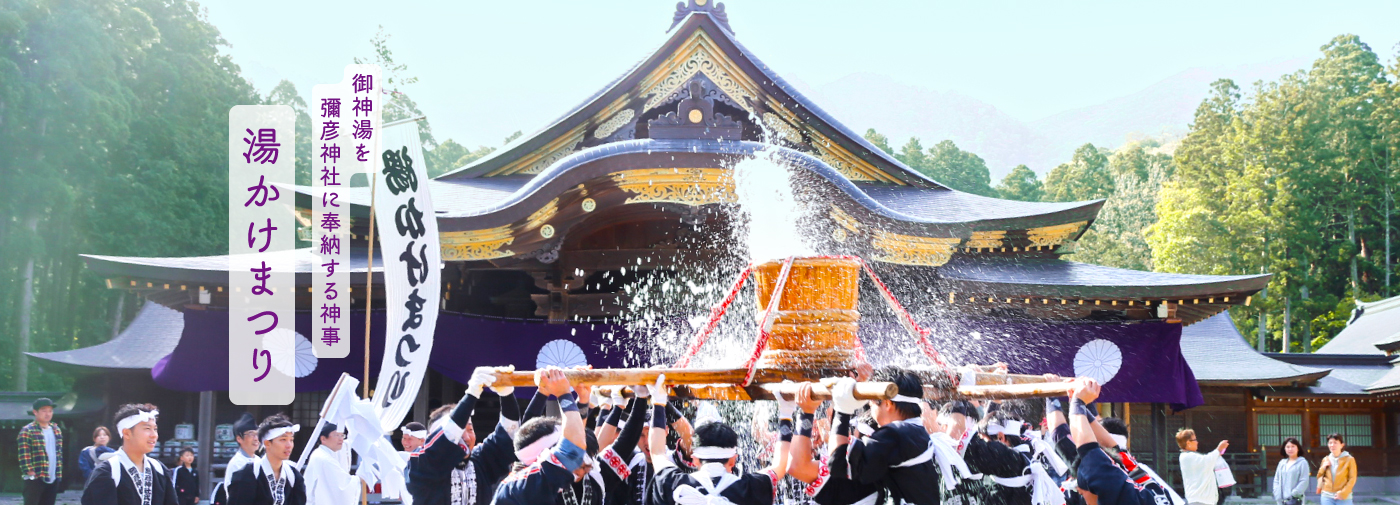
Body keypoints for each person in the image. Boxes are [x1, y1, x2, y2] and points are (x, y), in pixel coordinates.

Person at [644, 373, 790, 505]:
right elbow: (780, 465)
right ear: (733, 460)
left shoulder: (675, 484)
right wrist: (786, 413)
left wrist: (658, 401)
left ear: (694, 460)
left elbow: (657, 452)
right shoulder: (750, 487)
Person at [407, 366, 521, 505]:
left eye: (470, 429)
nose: (467, 438)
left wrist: (507, 395)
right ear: (434, 437)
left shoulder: (480, 462)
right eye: (460, 432)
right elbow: (446, 438)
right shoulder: (420, 464)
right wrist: (472, 393)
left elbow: (508, 436)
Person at [839, 366, 941, 505]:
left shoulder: (896, 434)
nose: (869, 404)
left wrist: (841, 410)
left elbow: (837, 464)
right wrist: (865, 384)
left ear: (887, 403)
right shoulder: (912, 430)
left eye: (872, 401)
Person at [491, 367, 592, 505]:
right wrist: (564, 394)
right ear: (544, 453)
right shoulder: (532, 481)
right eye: (558, 445)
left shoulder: (529, 478)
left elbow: (575, 439)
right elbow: (573, 449)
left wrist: (582, 400)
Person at [1066, 379, 1169, 505]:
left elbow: (1086, 447)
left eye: (1082, 494)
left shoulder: (1117, 489)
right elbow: (1111, 447)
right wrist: (1077, 403)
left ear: (1095, 487)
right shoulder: (1140, 485)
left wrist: (1078, 402)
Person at [786, 382, 884, 505]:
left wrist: (806, 412)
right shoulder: (890, 466)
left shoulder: (851, 475)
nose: (850, 438)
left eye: (854, 435)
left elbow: (797, 467)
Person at [81, 403, 180, 505]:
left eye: (155, 429)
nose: (154, 435)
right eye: (147, 428)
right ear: (127, 433)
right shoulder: (107, 472)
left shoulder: (159, 469)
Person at [227, 414, 306, 505]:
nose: (289, 445)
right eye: (283, 440)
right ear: (267, 443)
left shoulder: (294, 476)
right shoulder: (247, 474)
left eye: (291, 440)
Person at [305, 423, 374, 505]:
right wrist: (360, 478)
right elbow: (342, 486)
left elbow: (348, 444)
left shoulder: (322, 454)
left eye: (342, 435)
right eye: (336, 435)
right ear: (323, 439)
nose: (341, 439)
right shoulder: (324, 459)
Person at [19, 397, 64, 505]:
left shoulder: (56, 429)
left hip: (53, 475)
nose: (47, 414)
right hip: (36, 476)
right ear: (35, 412)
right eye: (44, 410)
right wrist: (30, 472)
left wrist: (59, 473)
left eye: (50, 411)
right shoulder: (28, 430)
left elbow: (59, 452)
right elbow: (24, 453)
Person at [213, 414, 262, 505]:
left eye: (257, 434)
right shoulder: (237, 463)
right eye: (251, 434)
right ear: (239, 438)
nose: (256, 439)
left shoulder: (259, 460)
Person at [1177, 429, 1228, 505]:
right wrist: (1218, 449)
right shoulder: (1187, 456)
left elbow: (1208, 461)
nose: (1197, 442)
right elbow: (1206, 461)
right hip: (1198, 500)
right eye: (1194, 440)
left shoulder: (1193, 456)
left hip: (1203, 500)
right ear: (1188, 443)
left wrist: (1218, 453)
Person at [1316, 434, 1356, 505]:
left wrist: (1344, 492)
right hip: (1327, 496)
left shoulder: (1349, 459)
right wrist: (1323, 467)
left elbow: (1352, 478)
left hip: (1344, 496)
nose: (1332, 445)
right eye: (1330, 443)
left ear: (1342, 445)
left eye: (1335, 443)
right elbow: (1319, 476)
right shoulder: (1326, 459)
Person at [1272, 437, 1309, 505]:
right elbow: (1276, 480)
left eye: (1293, 446)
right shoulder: (1282, 463)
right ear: (1284, 448)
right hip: (1281, 500)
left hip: (1295, 500)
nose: (1290, 449)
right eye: (1288, 447)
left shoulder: (1302, 462)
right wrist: (1277, 494)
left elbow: (1304, 480)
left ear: (1298, 448)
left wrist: (1294, 493)